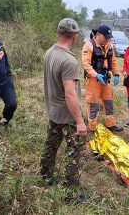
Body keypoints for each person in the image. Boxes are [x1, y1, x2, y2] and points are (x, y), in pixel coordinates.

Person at [40, 18, 87, 194]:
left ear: (59, 32)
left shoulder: (50, 52)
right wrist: (80, 121)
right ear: (74, 36)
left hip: (53, 110)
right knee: (75, 150)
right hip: (67, 114)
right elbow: (70, 93)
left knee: (51, 144)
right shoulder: (68, 60)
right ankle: (71, 193)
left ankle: (45, 175)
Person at [82, 25, 123, 132]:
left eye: (109, 37)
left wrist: (116, 74)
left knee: (108, 102)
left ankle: (110, 124)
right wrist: (95, 74)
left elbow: (113, 61)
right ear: (98, 35)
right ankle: (92, 127)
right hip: (93, 80)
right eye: (106, 37)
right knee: (93, 104)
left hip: (105, 78)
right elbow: (86, 64)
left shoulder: (109, 45)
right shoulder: (89, 45)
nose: (108, 39)